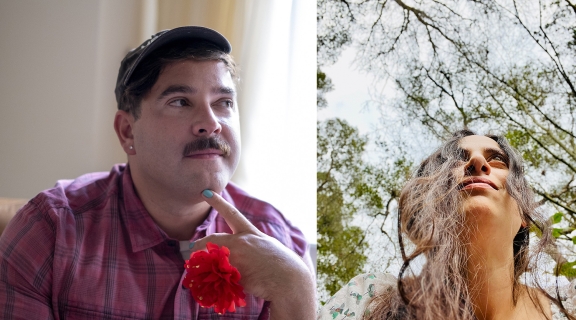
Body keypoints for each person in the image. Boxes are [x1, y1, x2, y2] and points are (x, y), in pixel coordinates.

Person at [0, 26, 315, 319]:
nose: (212, 122)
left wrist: (298, 289)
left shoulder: (284, 247)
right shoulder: (47, 233)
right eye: (180, 101)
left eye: (223, 102)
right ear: (127, 132)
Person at [319, 130, 575, 320]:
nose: (477, 163)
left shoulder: (568, 306)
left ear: (524, 216)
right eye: (456, 161)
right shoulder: (368, 299)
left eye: (497, 160)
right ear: (430, 205)